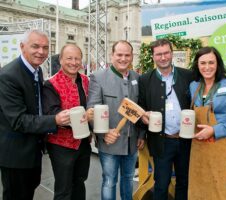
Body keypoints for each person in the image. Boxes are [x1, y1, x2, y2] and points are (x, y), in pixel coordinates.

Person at [0, 30, 70, 200]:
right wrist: (54, 120)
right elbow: (19, 120)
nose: (41, 52)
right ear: (22, 47)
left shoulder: (36, 70)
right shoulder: (8, 76)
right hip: (15, 155)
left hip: (32, 150)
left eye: (45, 47)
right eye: (35, 46)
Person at [86, 40, 145, 200]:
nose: (123, 59)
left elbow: (141, 108)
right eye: (119, 54)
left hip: (131, 142)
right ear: (112, 55)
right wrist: (103, 133)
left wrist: (141, 135)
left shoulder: (137, 78)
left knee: (128, 180)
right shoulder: (98, 77)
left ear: (132, 57)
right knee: (109, 181)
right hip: (109, 143)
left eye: (127, 55)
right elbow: (92, 110)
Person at [188, 46, 226, 200]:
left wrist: (215, 130)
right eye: (202, 63)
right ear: (197, 65)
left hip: (223, 147)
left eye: (211, 62)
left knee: (222, 193)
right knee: (199, 192)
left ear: (218, 64)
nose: (207, 67)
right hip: (199, 149)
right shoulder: (194, 86)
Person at [138, 38, 193, 200]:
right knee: (161, 184)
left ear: (172, 53)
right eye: (159, 54)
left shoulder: (187, 75)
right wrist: (142, 128)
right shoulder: (145, 80)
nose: (163, 57)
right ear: (153, 56)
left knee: (184, 182)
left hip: (186, 140)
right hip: (161, 141)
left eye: (166, 53)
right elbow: (141, 108)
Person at [42, 44, 91, 200]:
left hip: (83, 142)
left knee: (79, 182)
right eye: (69, 58)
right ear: (61, 60)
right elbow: (52, 113)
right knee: (63, 189)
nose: (74, 62)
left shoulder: (85, 80)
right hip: (61, 145)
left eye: (77, 58)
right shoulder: (51, 84)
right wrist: (84, 115)